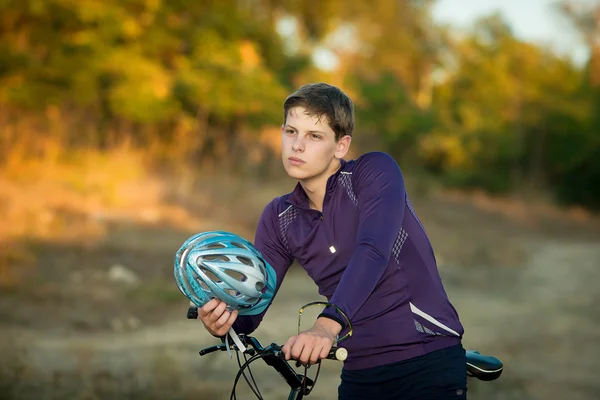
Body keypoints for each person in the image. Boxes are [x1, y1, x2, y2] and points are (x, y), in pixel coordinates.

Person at [198, 83, 467, 399]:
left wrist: (326, 326)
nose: (297, 146)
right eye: (291, 132)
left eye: (314, 136)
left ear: (341, 145)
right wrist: (225, 320)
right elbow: (255, 306)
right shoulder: (279, 215)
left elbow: (373, 250)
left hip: (426, 361)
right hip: (359, 373)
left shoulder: (373, 172)